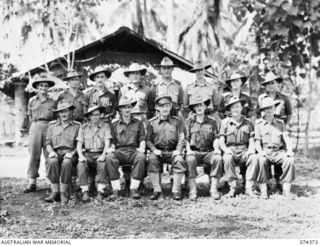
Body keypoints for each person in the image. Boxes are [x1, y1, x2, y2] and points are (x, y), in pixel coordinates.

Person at [105, 96, 147, 200]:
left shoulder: (138, 122)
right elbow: (113, 140)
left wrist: (142, 148)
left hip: (133, 150)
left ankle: (134, 189)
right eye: (124, 107)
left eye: (129, 107)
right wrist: (112, 148)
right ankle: (116, 190)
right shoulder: (114, 124)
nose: (127, 110)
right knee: (110, 157)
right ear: (120, 109)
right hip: (120, 151)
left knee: (141, 157)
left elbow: (142, 138)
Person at [255, 97, 295, 199]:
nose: (269, 110)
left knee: (289, 160)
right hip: (266, 152)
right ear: (263, 110)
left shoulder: (280, 123)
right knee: (261, 159)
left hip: (278, 152)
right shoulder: (258, 124)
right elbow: (257, 141)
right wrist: (260, 152)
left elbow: (286, 138)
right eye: (266, 108)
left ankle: (286, 190)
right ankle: (263, 190)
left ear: (274, 108)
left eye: (271, 107)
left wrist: (289, 150)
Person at [147, 96, 186, 200]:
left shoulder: (177, 121)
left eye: (167, 106)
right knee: (151, 159)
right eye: (162, 106)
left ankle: (176, 190)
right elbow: (148, 139)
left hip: (173, 150)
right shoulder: (151, 122)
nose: (165, 109)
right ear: (157, 108)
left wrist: (178, 150)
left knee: (179, 160)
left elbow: (182, 137)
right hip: (158, 151)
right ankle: (157, 190)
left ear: (171, 107)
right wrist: (154, 150)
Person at [219, 96, 259, 198]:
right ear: (230, 110)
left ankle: (249, 187)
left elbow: (251, 139)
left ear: (241, 108)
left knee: (253, 158)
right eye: (233, 107)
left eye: (237, 106)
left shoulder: (248, 122)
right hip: (231, 150)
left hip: (244, 151)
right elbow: (221, 141)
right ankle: (232, 188)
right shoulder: (224, 123)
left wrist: (251, 150)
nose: (235, 109)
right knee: (227, 158)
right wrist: (226, 150)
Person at [185, 95, 223, 201]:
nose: (199, 108)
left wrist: (216, 149)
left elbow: (216, 138)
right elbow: (186, 139)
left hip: (208, 152)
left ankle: (214, 189)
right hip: (195, 152)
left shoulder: (212, 121)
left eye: (201, 105)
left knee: (218, 158)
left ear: (205, 107)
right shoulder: (189, 122)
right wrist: (188, 150)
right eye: (196, 106)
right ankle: (193, 190)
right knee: (190, 159)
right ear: (193, 109)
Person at [24, 74, 57, 193]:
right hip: (36, 126)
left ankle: (50, 180)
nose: (43, 87)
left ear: (48, 87)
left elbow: (56, 116)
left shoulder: (53, 102)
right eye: (41, 85)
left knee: (49, 154)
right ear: (37, 87)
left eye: (46, 86)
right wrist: (34, 127)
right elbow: (30, 116)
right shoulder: (32, 100)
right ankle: (32, 181)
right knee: (34, 154)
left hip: (49, 126)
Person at [44, 102, 81, 204]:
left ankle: (63, 193)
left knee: (66, 163)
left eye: (66, 111)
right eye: (61, 112)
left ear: (70, 112)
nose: (64, 114)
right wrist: (51, 152)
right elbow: (48, 142)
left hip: (71, 153)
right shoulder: (52, 126)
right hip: (56, 152)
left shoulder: (77, 126)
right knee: (52, 162)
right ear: (58, 114)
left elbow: (80, 144)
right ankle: (54, 192)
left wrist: (73, 153)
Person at [76, 105, 112, 202]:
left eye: (97, 114)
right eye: (93, 115)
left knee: (102, 163)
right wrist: (80, 156)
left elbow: (107, 143)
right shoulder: (83, 128)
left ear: (100, 115)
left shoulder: (105, 127)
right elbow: (79, 144)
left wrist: (103, 155)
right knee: (81, 164)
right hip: (88, 153)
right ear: (89, 117)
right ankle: (85, 191)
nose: (95, 117)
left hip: (100, 152)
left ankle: (100, 191)